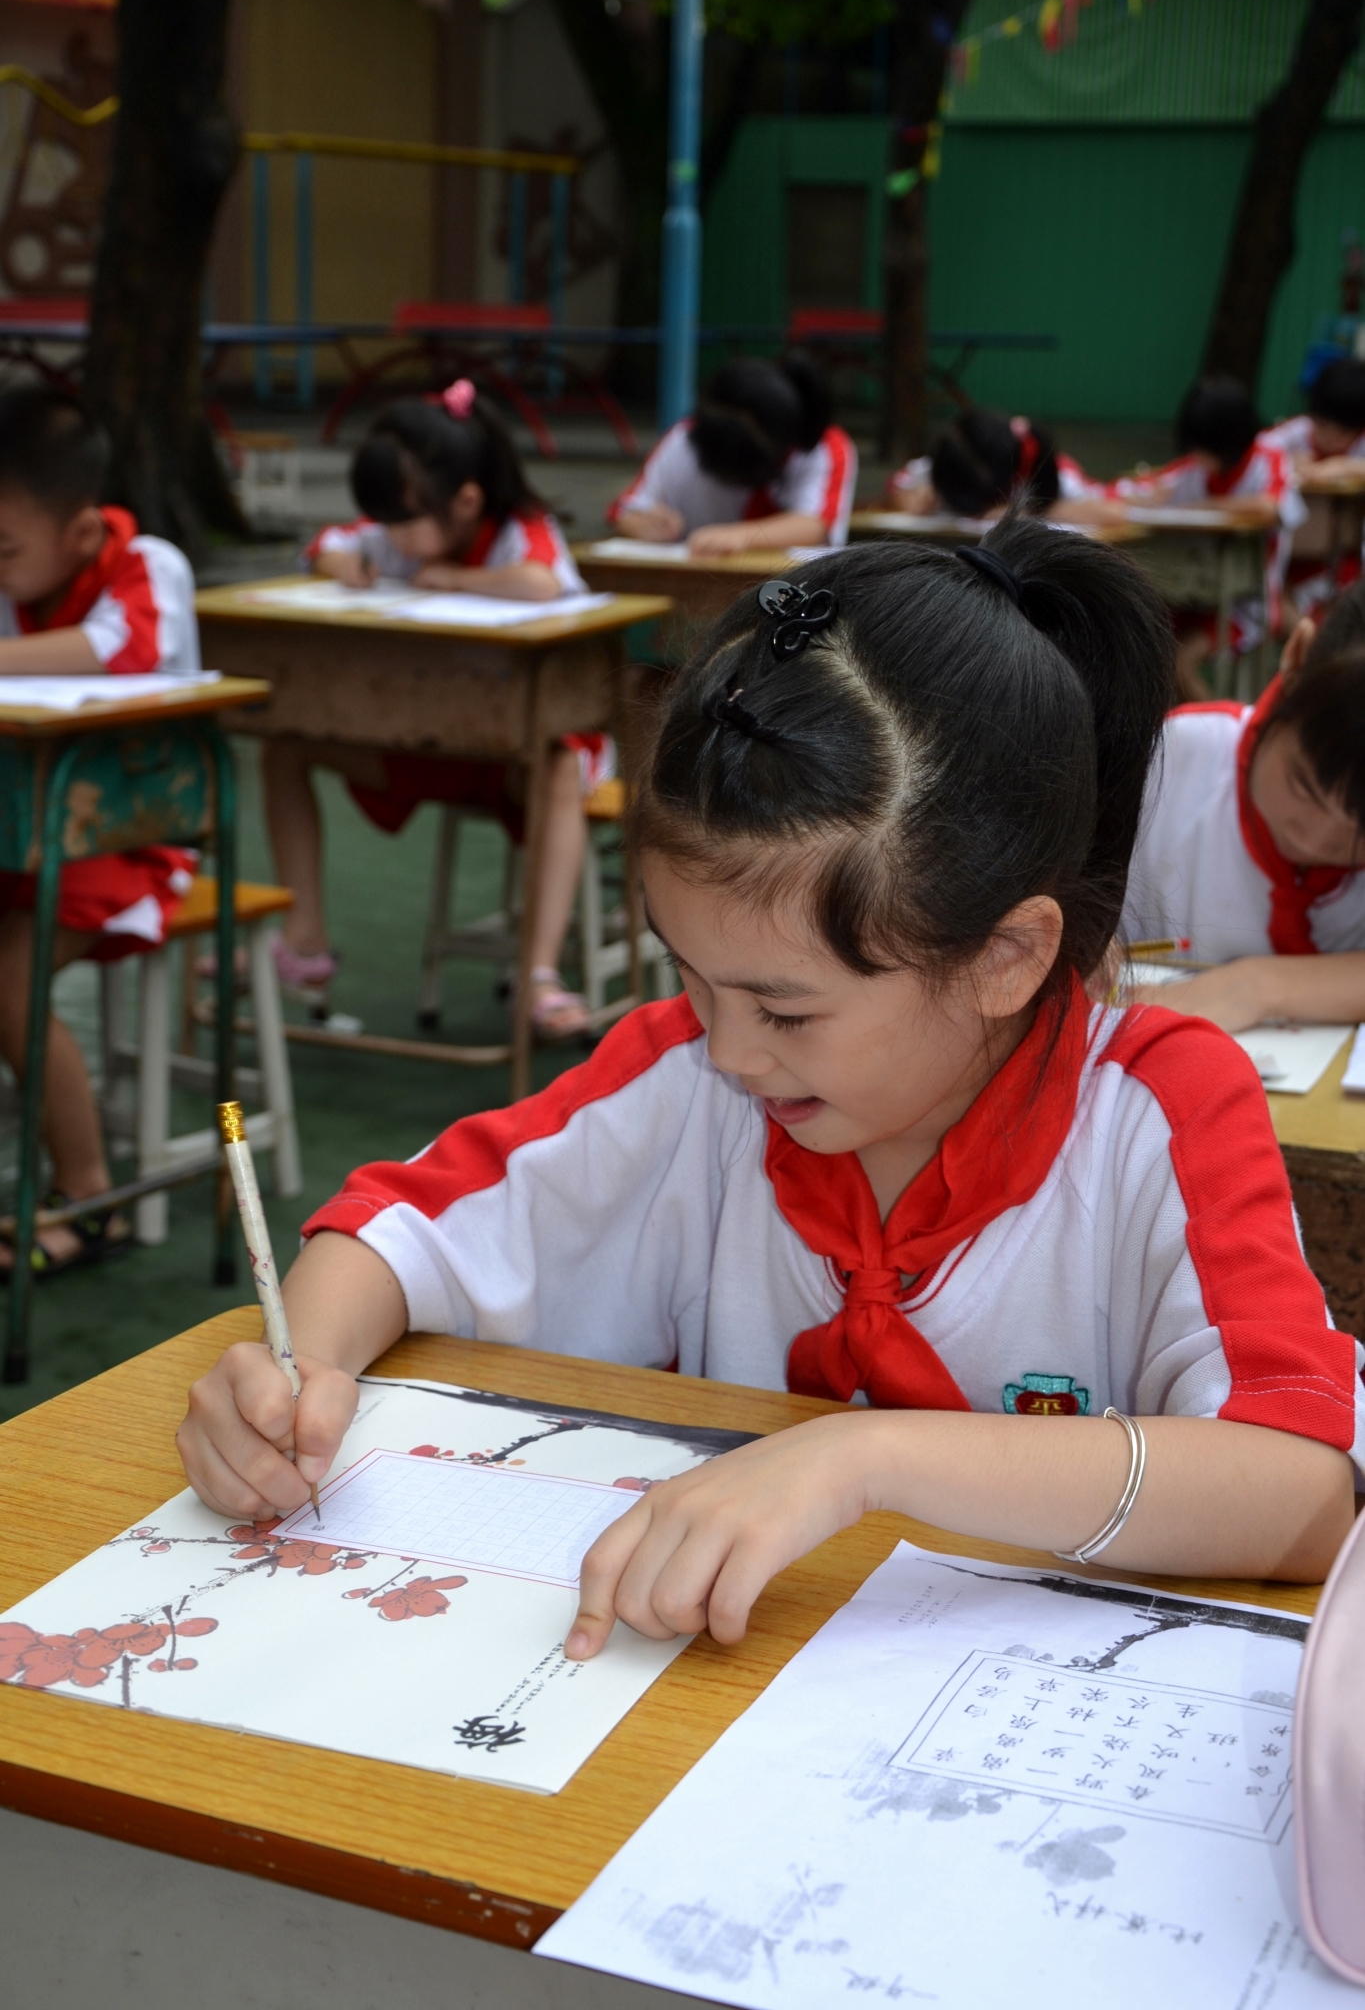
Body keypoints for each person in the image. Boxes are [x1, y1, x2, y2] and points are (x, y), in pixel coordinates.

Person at [179, 521, 1361, 1656]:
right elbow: (397, 1232)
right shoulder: (679, 1074)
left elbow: (1302, 1489)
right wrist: (299, 1373)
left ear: (1007, 956)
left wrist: (860, 1458)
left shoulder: (1154, 1108)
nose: (732, 1049)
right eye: (688, 976)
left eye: (787, 1010)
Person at [267, 383, 611, 1042]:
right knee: (285, 744)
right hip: (432, 742)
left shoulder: (519, 532)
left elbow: (540, 582)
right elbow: (329, 542)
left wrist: (458, 580)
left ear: (467, 501)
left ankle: (538, 976)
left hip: (524, 750)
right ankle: (305, 943)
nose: (391, 536)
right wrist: (343, 562)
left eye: (402, 522)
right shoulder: (402, 532)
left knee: (559, 769)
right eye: (386, 523)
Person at [0, 383, 199, 1274]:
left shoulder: (145, 564)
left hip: (137, 839)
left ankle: (88, 1198)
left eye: (4, 547)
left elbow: (125, 650)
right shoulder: (15, 582)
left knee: (8, 980)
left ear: (81, 531)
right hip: (29, 836)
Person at [1122, 581, 1365, 1032]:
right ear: (1295, 658)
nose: (1316, 837)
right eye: (1302, 786)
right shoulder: (1169, 765)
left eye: (1359, 833)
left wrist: (1258, 986)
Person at [1113, 376, 1306, 699]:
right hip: (1189, 595)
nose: (1197, 459)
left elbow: (1271, 507)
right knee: (1135, 647)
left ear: (1229, 442)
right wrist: (1142, 498)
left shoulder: (1267, 460)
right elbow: (1130, 492)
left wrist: (1201, 505)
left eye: (1204, 449)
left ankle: (1226, 734)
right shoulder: (1192, 468)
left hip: (1247, 605)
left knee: (1179, 662)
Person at [608, 356, 857, 553]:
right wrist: (641, 524)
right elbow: (624, 511)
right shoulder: (686, 437)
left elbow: (815, 525)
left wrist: (739, 536)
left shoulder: (820, 444)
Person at [882, 407, 1123, 527]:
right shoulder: (945, 463)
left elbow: (1115, 511)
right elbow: (896, 489)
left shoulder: (1053, 472)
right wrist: (911, 499)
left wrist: (1031, 512)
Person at [1264, 359, 1365, 623]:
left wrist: (1340, 466)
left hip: (1345, 559)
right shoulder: (1297, 432)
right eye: (1322, 425)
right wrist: (1287, 463)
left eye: (1342, 431)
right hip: (1293, 555)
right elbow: (1259, 454)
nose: (1329, 437)